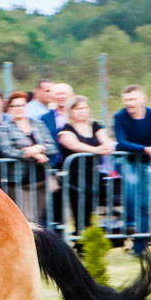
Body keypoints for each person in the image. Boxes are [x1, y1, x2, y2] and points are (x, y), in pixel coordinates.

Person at [113, 85, 151, 256]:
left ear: (142, 99)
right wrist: (147, 149)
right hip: (127, 160)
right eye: (127, 99)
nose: (130, 103)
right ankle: (129, 222)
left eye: (133, 99)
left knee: (144, 204)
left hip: (146, 163)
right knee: (131, 185)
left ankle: (140, 247)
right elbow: (121, 142)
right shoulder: (119, 117)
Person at [57, 95, 116, 235]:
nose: (82, 111)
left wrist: (108, 146)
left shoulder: (95, 126)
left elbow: (106, 140)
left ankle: (92, 232)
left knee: (97, 198)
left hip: (94, 172)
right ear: (70, 111)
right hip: (74, 174)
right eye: (78, 108)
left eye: (84, 107)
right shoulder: (66, 129)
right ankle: (81, 234)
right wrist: (96, 150)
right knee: (82, 203)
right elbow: (72, 144)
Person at [0, 92, 58, 225]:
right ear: (10, 108)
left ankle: (42, 246)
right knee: (27, 220)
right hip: (19, 181)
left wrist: (40, 148)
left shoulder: (38, 124)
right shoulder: (4, 127)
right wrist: (33, 154)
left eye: (22, 105)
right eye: (14, 105)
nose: (18, 108)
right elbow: (7, 151)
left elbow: (52, 147)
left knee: (42, 219)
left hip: (42, 178)